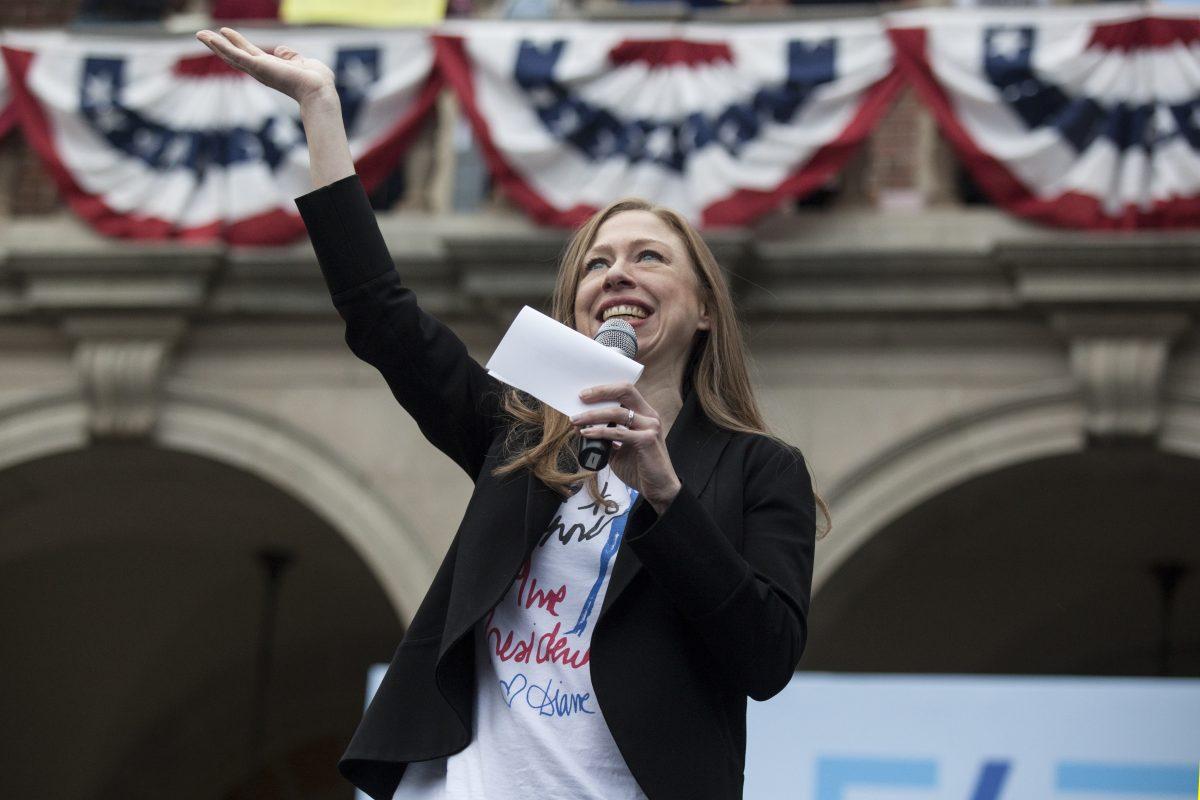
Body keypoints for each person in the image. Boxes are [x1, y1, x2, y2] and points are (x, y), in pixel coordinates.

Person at [196, 27, 830, 800]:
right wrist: (321, 110)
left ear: (703, 311)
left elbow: (765, 659)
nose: (617, 273)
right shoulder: (521, 434)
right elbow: (382, 317)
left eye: (648, 257)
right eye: (597, 263)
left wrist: (665, 497)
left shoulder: (758, 469)